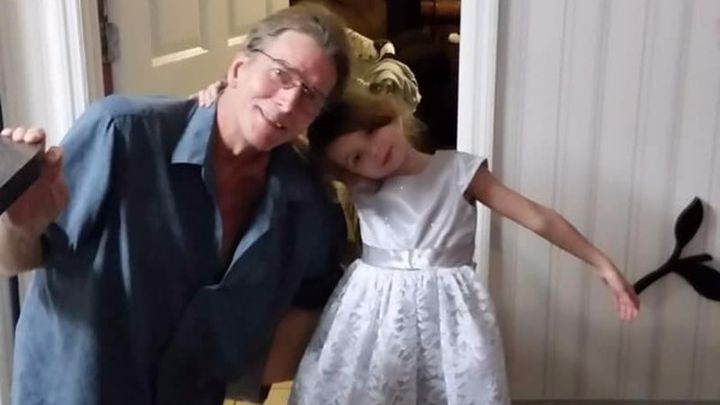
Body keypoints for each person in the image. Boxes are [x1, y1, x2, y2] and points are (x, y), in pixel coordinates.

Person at [0, 4, 351, 405]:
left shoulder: (307, 203)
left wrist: (233, 372)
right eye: (280, 74)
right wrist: (18, 226)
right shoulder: (122, 133)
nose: (288, 103)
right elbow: (12, 261)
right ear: (238, 69)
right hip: (75, 390)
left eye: (310, 95)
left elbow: (314, 310)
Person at [287, 89, 641, 405]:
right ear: (351, 174)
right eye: (356, 158)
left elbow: (538, 218)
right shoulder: (364, 190)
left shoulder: (459, 171)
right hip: (373, 315)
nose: (374, 151)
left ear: (388, 113)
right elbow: (290, 157)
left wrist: (602, 263)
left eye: (370, 132)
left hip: (449, 317)